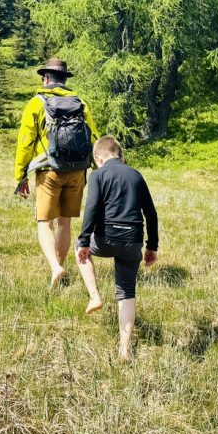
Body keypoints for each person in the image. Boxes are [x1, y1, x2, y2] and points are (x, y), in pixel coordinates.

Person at [15, 58, 99, 289]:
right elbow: (93, 137)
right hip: (77, 171)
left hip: (48, 170)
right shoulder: (80, 102)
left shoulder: (36, 103)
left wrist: (20, 175)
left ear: (46, 79)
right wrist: (99, 169)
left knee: (44, 223)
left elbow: (25, 142)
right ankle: (60, 265)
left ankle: (56, 267)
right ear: (64, 80)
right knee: (65, 222)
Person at [75, 135, 158, 362]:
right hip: (133, 241)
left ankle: (94, 296)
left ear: (98, 159)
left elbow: (91, 208)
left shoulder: (98, 175)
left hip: (105, 239)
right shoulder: (136, 175)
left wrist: (84, 241)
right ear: (120, 156)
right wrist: (152, 247)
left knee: (77, 247)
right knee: (126, 292)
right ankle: (124, 350)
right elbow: (151, 214)